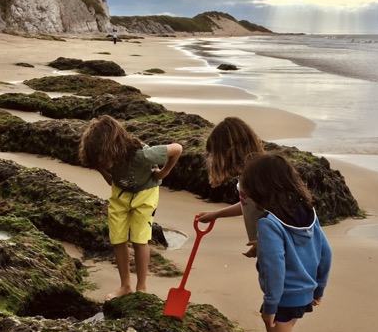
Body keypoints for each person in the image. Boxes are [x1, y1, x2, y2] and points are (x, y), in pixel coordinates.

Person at [240, 152, 332, 332]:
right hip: (305, 293)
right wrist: (320, 287)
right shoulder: (308, 213)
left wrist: (270, 305)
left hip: (284, 298)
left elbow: (275, 268)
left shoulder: (268, 223)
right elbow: (326, 252)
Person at [79, 115, 182, 301]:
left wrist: (162, 173)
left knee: (139, 239)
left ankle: (141, 288)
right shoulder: (99, 158)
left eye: (104, 157)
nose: (103, 161)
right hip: (120, 194)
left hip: (145, 194)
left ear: (114, 146)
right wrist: (102, 168)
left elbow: (177, 149)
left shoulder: (143, 154)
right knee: (117, 239)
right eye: (99, 159)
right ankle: (125, 286)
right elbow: (110, 179)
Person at [196, 116, 264, 258]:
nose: (212, 160)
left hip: (281, 248)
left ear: (229, 151)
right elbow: (249, 204)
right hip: (269, 246)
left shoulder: (257, 175)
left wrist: (265, 242)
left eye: (215, 154)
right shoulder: (247, 174)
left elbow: (281, 213)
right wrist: (216, 214)